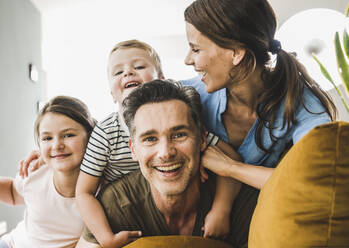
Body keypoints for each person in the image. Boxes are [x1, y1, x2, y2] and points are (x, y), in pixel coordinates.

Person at [20, 40, 241, 247]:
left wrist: (221, 209)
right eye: (118, 72)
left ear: (162, 80)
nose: (128, 72)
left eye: (138, 66)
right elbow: (84, 191)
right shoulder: (104, 133)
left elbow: (229, 159)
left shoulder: (182, 117)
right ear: (111, 94)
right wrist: (107, 238)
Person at [76, 80, 259, 248]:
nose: (166, 153)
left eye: (179, 135)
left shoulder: (243, 203)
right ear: (133, 149)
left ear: (203, 139)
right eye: (150, 139)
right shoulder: (116, 205)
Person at [181, 0, 337, 189]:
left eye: (196, 49)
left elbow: (319, 180)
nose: (187, 60)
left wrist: (231, 168)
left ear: (236, 53)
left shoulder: (303, 104)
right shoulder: (185, 96)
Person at [0, 96, 96, 248]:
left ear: (91, 136)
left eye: (68, 135)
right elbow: (13, 193)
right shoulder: (36, 172)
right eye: (47, 138)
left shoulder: (103, 186)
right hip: (12, 244)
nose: (57, 145)